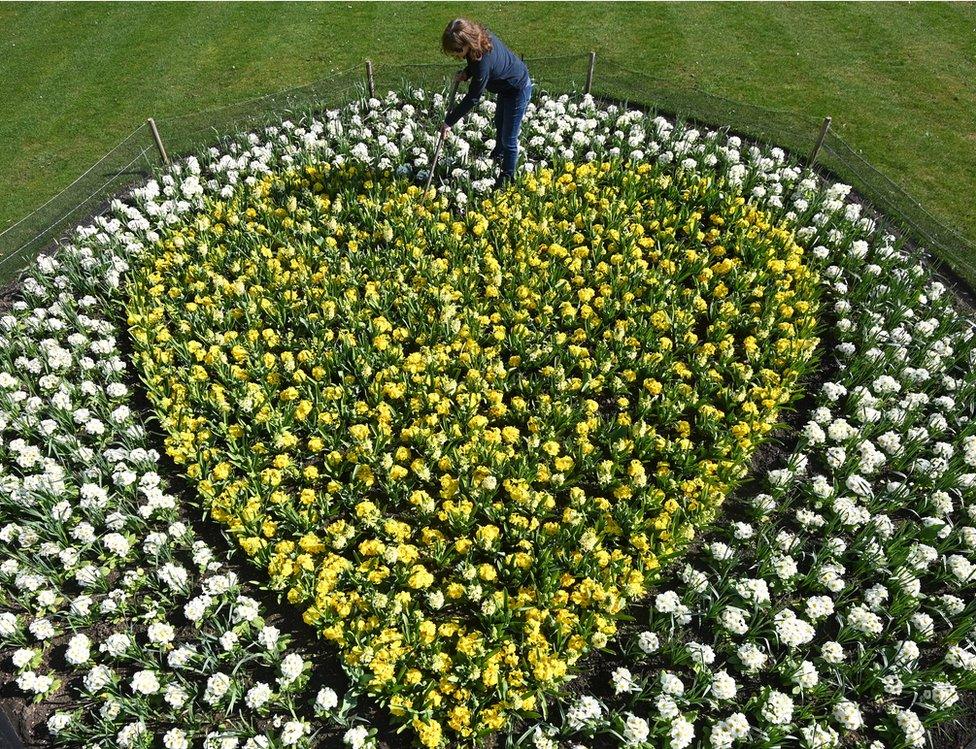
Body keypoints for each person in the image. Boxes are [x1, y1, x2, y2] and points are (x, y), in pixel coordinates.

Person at [440, 18, 532, 188]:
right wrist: (467, 73)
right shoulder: (479, 42)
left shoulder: (483, 60)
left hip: (517, 89)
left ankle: (507, 178)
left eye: (458, 51)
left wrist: (449, 122)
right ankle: (498, 154)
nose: (457, 55)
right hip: (506, 87)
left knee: (509, 138)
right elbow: (474, 63)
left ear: (468, 42)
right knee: (499, 122)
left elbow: (473, 97)